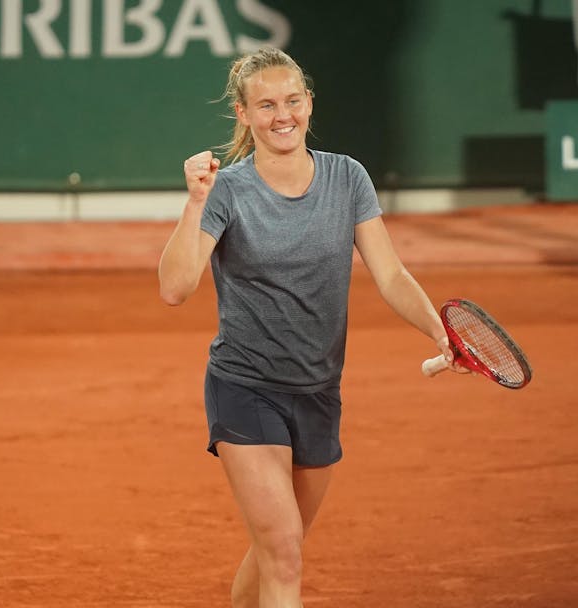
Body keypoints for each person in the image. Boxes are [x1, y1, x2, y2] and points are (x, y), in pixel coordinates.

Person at [157, 47, 465, 607]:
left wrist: (437, 329)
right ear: (244, 115)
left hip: (319, 392)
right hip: (245, 387)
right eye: (267, 104)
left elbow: (390, 273)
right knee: (284, 552)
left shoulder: (349, 178)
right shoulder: (226, 189)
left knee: (279, 546)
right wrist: (195, 203)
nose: (283, 115)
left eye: (292, 100)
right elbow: (175, 288)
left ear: (309, 104)